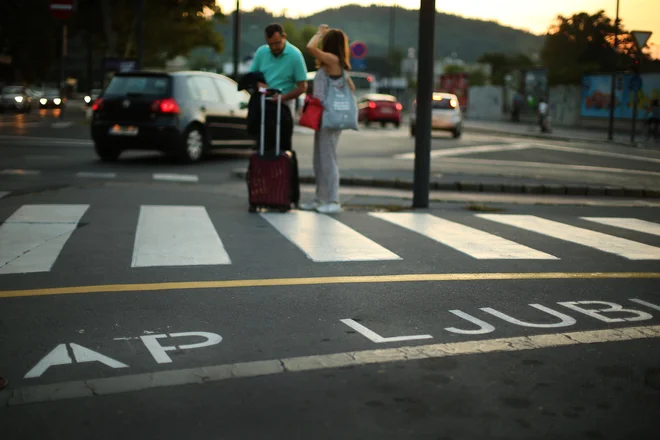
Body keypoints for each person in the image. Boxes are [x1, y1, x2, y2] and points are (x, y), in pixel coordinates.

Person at [301, 25, 355, 214]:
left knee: (328, 159)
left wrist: (318, 33)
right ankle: (320, 198)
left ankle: (333, 200)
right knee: (319, 159)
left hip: (329, 118)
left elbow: (309, 48)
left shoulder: (332, 60)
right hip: (322, 117)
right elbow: (352, 87)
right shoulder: (333, 64)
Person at [249, 23, 309, 148]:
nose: (274, 47)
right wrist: (259, 84)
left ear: (284, 37)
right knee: (262, 140)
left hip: (284, 102)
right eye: (270, 44)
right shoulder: (262, 52)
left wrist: (283, 98)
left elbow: (302, 87)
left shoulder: (295, 55)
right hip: (264, 100)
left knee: (282, 140)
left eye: (277, 43)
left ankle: (282, 164)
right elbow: (252, 76)